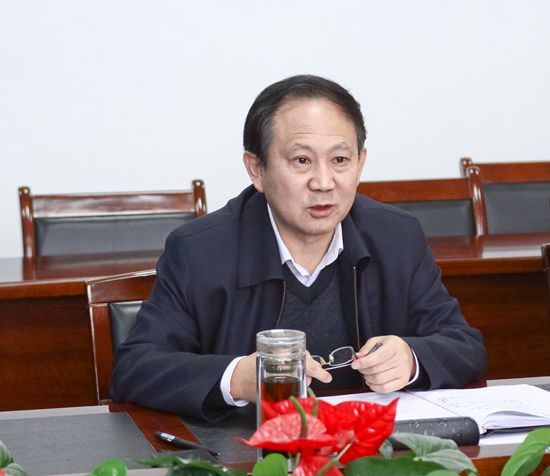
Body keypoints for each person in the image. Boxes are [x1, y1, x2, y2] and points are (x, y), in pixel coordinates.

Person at [110, 74, 486, 421]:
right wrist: (239, 378)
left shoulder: (396, 236)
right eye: (302, 160)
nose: (323, 182)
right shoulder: (201, 250)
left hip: (368, 451)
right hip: (251, 454)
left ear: (360, 163)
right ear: (256, 169)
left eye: (340, 160)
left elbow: (464, 345)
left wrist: (412, 358)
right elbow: (136, 367)